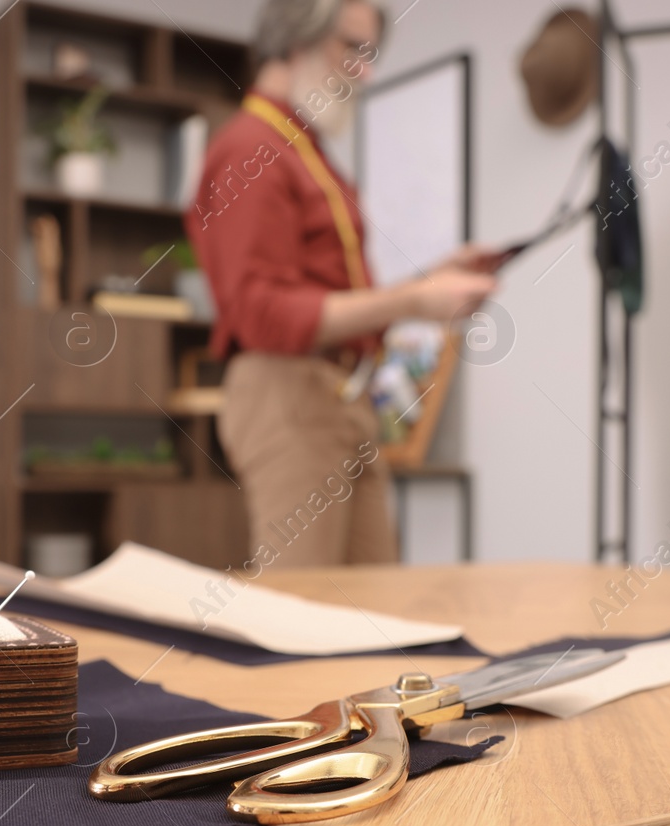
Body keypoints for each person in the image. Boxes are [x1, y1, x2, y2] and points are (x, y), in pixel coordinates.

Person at [184, 0, 498, 569]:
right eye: (352, 47)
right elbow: (262, 312)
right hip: (290, 392)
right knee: (301, 622)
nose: (366, 71)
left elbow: (322, 293)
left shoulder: (301, 147)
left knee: (376, 612)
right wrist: (411, 300)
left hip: (342, 397)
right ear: (297, 37)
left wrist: (433, 280)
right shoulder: (251, 148)